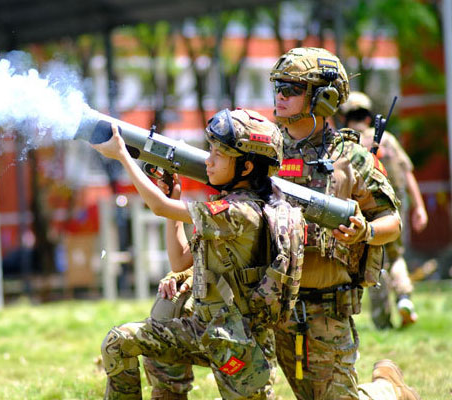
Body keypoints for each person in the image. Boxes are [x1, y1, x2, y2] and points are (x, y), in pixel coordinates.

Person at [95, 108, 293, 400]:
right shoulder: (228, 206)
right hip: (202, 328)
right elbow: (179, 261)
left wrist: (123, 155)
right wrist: (174, 198)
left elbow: (158, 206)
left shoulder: (241, 212)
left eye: (219, 155)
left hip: (238, 342)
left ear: (247, 167)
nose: (208, 160)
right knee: (119, 342)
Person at [270, 47, 420, 400]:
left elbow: (391, 221)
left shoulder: (349, 157)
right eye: (277, 86)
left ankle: (388, 391)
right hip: (274, 308)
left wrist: (364, 232)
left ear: (323, 98)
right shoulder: (265, 152)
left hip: (327, 311)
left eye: (292, 88)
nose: (280, 95)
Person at [340, 91, 428, 328]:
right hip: (394, 211)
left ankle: (382, 320)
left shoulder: (347, 145)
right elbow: (407, 172)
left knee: (374, 262)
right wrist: (420, 207)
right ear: (369, 117)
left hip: (365, 214)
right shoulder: (387, 139)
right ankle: (404, 298)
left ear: (344, 117)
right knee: (396, 256)